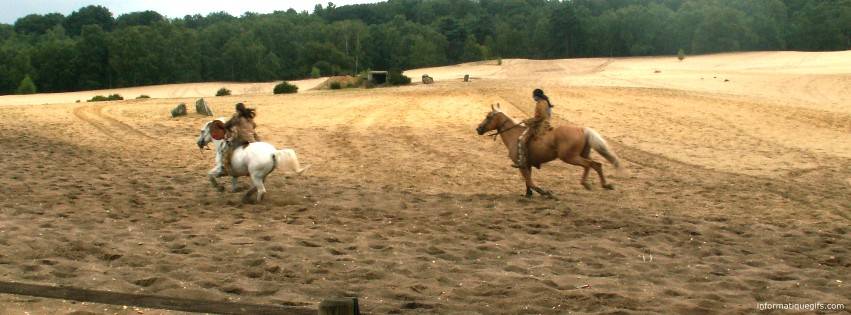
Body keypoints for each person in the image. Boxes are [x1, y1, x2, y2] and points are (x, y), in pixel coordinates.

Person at [513, 88, 553, 168]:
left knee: (522, 140)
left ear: (537, 96)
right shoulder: (545, 102)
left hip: (540, 125)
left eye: (533, 96)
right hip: (544, 123)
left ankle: (522, 161)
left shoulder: (541, 103)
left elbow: (541, 117)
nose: (533, 97)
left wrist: (527, 121)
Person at [222, 103, 260, 175]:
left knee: (229, 150)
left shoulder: (237, 117)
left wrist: (227, 128)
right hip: (253, 139)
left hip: (243, 139)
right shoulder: (249, 117)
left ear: (237, 110)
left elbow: (228, 124)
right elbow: (255, 125)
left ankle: (228, 168)